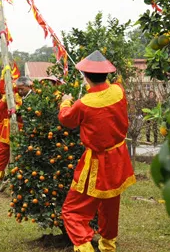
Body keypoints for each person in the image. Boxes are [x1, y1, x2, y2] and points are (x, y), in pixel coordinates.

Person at [58, 51, 135, 252]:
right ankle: (108, 246)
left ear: (85, 77)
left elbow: (67, 119)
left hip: (97, 162)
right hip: (119, 157)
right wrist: (92, 87)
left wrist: (65, 101)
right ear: (107, 74)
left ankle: (85, 248)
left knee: (72, 211)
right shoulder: (119, 91)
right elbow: (104, 93)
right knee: (110, 206)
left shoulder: (83, 104)